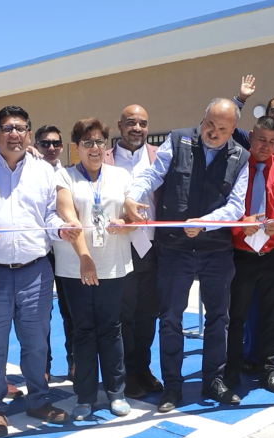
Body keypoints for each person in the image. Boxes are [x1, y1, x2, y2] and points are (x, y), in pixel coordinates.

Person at [0, 106, 77, 437]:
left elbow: (49, 215)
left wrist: (61, 229)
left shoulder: (43, 171)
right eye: (7, 128)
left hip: (36, 272)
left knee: (36, 342)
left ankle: (39, 400)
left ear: (28, 134)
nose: (14, 134)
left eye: (20, 128)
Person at [125, 98, 250, 413]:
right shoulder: (177, 140)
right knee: (170, 318)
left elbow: (236, 206)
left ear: (234, 130)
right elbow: (153, 175)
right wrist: (132, 197)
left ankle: (214, 381)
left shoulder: (241, 157)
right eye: (210, 124)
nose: (214, 132)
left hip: (216, 250)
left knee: (219, 318)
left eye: (223, 129)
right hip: (174, 248)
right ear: (203, 118)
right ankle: (172, 386)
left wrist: (205, 223)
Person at [54, 118, 134, 420]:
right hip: (75, 266)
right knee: (83, 330)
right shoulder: (64, 176)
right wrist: (85, 258)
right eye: (87, 142)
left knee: (111, 329)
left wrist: (125, 224)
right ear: (76, 147)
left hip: (112, 264)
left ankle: (116, 392)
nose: (95, 148)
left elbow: (132, 217)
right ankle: (85, 397)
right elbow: (70, 218)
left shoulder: (120, 175)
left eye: (100, 141)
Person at [224, 116, 274, 394]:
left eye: (272, 142)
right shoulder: (236, 168)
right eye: (261, 140)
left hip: (272, 254)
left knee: (271, 316)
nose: (266, 146)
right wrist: (240, 224)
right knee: (236, 317)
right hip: (240, 254)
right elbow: (224, 205)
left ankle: (270, 371)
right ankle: (231, 370)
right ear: (251, 137)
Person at [104, 105, 163, 399]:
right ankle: (126, 374)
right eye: (130, 122)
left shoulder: (159, 157)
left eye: (142, 123)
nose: (136, 128)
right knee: (123, 316)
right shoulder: (104, 159)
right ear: (120, 125)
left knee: (148, 315)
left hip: (152, 250)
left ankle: (143, 369)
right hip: (119, 249)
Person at [34, 124, 74, 381]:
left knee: (70, 310)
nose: (51, 147)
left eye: (55, 143)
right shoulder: (29, 173)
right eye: (45, 143)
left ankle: (74, 362)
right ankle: (43, 367)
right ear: (36, 146)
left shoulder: (69, 175)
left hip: (65, 251)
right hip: (40, 253)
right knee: (40, 314)